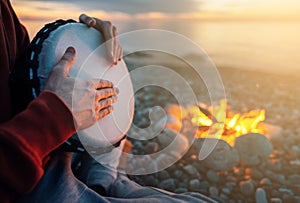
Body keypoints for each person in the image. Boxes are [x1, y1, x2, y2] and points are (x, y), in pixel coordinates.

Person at [0, 0, 216, 202]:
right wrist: (54, 116)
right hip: (22, 174)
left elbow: (21, 75)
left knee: (109, 113)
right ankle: (104, 179)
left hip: (47, 146)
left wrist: (88, 43)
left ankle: (103, 180)